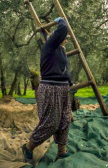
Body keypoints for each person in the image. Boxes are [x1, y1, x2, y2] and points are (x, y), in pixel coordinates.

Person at [22, 17, 72, 165]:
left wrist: (69, 82)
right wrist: (61, 20)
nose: (66, 40)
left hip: (62, 89)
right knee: (51, 123)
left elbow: (64, 70)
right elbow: (63, 28)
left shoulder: (60, 51)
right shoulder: (50, 46)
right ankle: (28, 147)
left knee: (65, 120)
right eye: (65, 38)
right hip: (51, 88)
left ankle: (61, 152)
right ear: (56, 38)